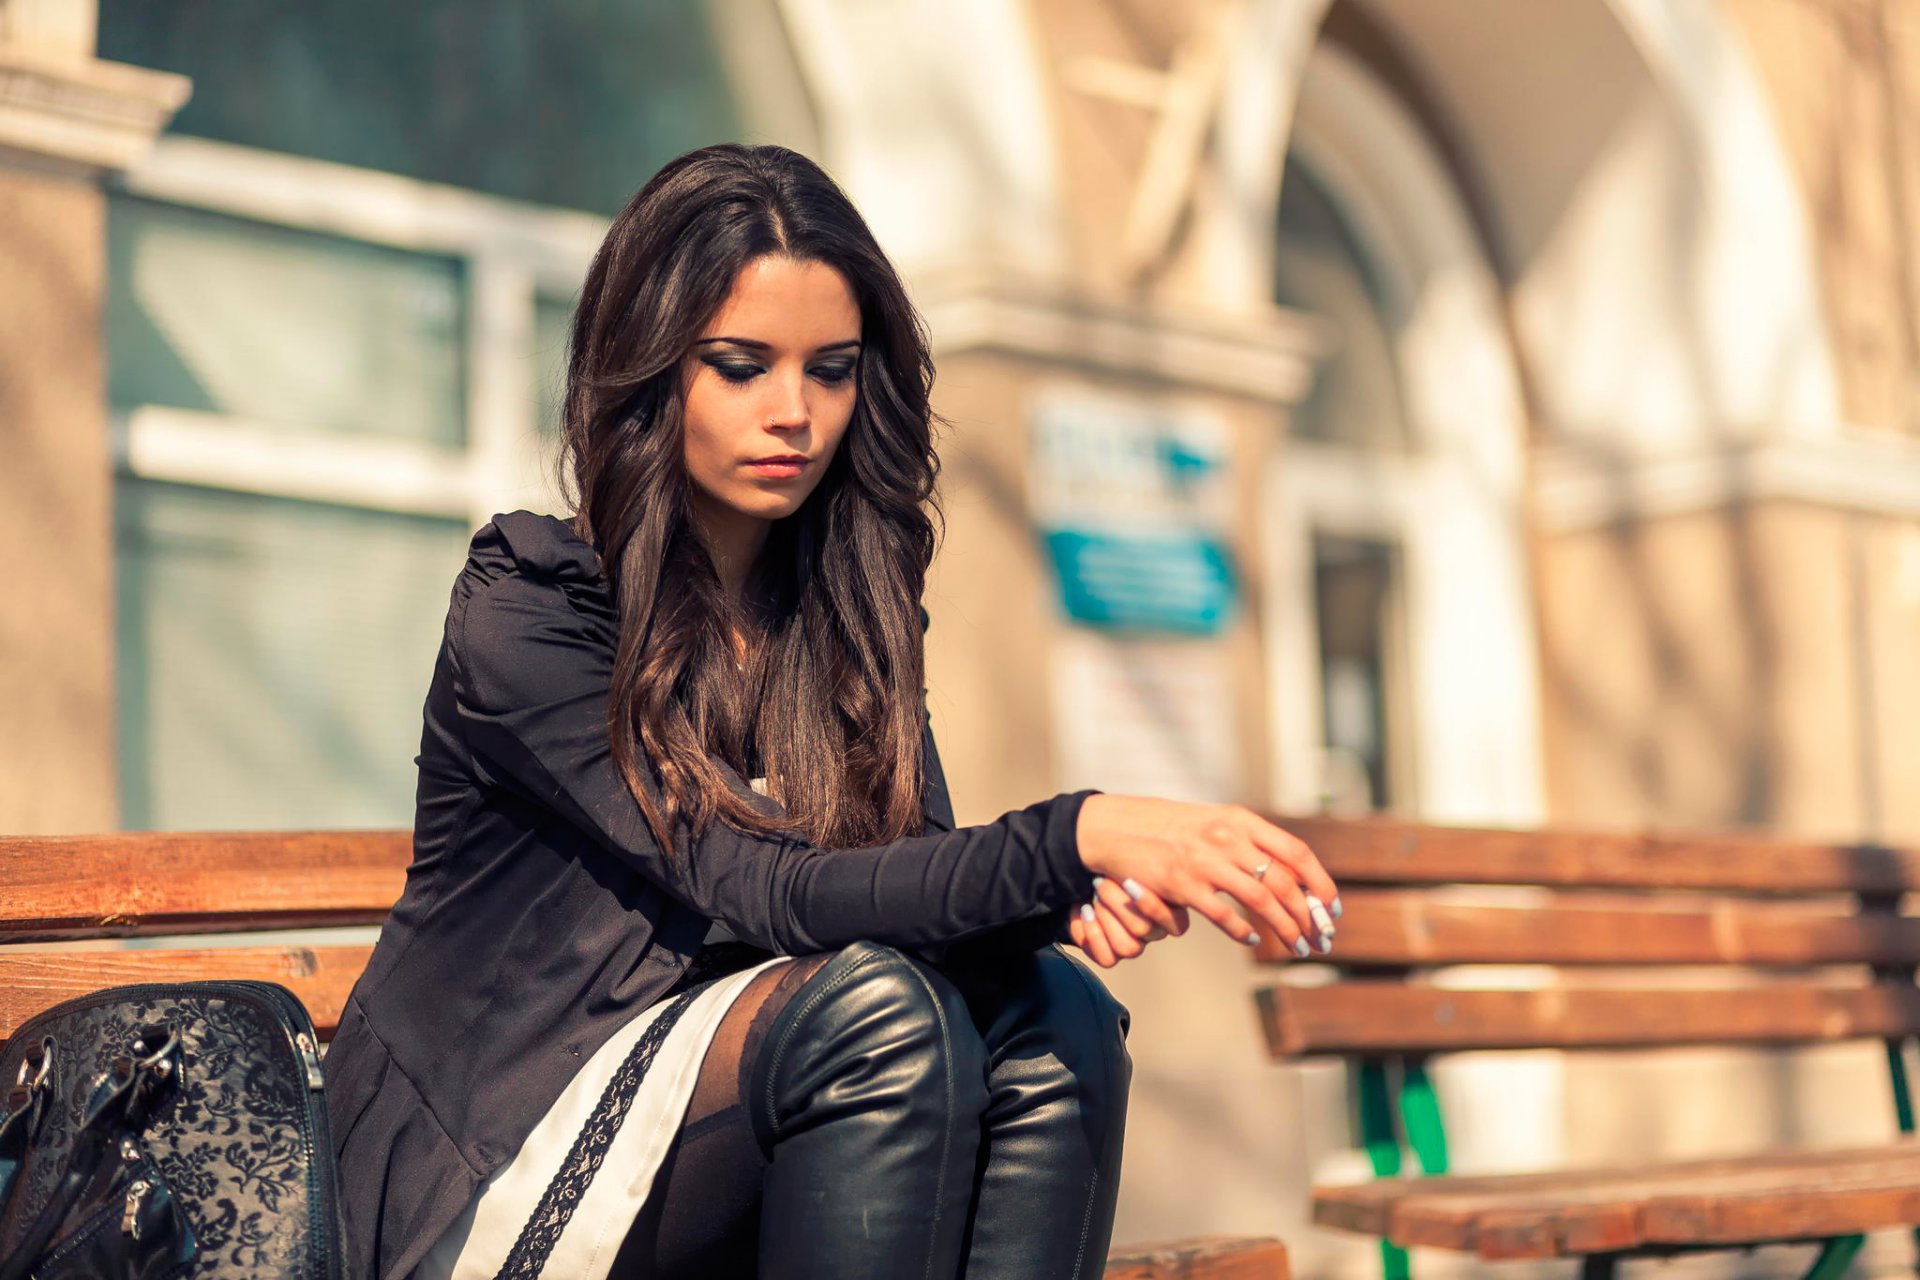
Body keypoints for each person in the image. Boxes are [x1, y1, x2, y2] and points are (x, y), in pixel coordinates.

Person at [321, 142, 1342, 1280]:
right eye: (742, 365)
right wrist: (1078, 831)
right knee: (878, 1021)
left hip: (733, 1125)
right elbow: (769, 886)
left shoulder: (844, 612)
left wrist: (1053, 904)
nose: (794, 413)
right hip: (488, 1166)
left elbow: (903, 879)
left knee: (1058, 1015)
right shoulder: (535, 616)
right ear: (651, 367)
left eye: (832, 369)